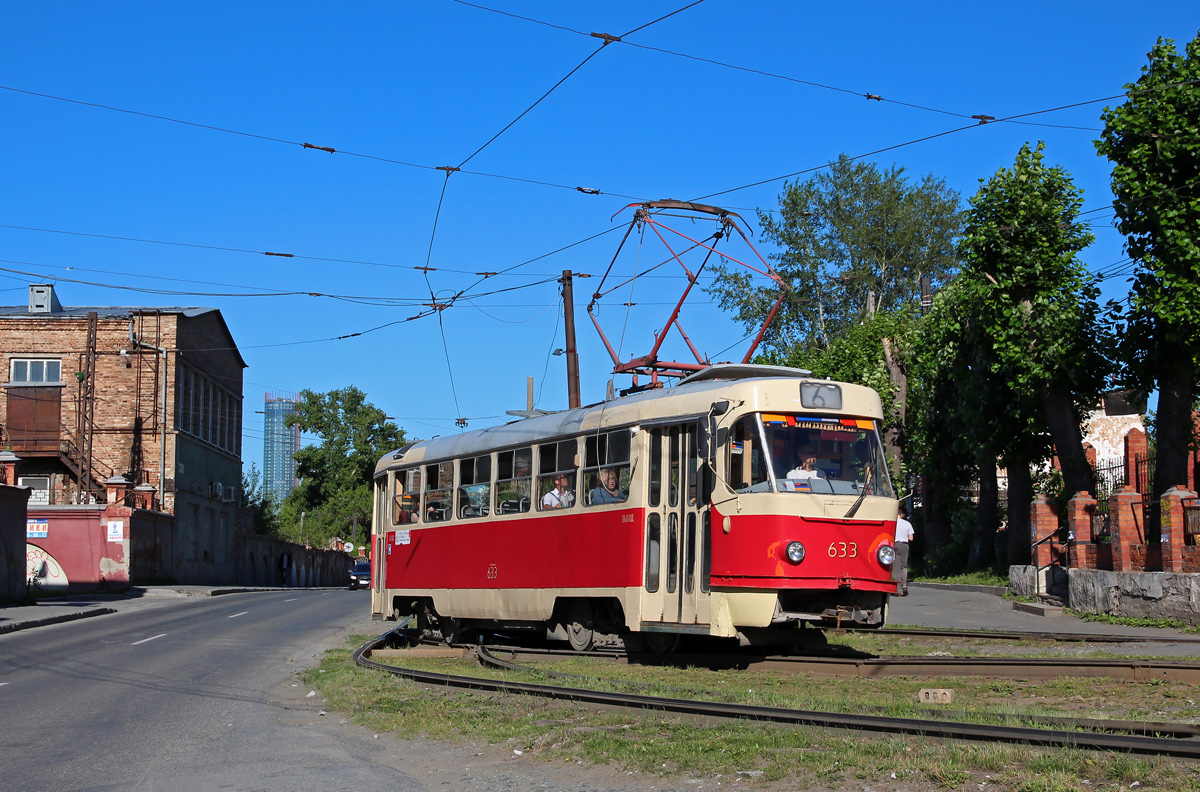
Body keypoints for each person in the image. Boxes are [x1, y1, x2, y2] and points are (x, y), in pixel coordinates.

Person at [894, 505, 915, 596]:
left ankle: (898, 589)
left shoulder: (893, 523)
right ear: (901, 514)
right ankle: (904, 586)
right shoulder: (907, 524)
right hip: (905, 545)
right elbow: (911, 538)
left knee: (896, 568)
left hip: (895, 545)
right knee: (903, 566)